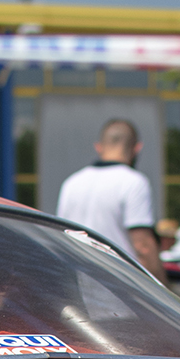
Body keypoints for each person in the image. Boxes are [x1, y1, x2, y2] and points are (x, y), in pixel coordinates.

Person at [56, 119, 164, 280]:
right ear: (137, 148)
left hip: (78, 284)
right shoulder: (133, 182)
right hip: (118, 287)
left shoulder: (71, 183)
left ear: (98, 147)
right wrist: (163, 288)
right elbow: (143, 246)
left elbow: (61, 237)